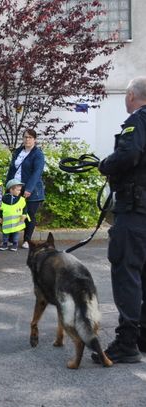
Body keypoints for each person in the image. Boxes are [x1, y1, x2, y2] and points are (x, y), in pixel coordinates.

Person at [91, 77, 146, 364]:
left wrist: (104, 165)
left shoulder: (138, 120)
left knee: (126, 272)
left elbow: (129, 154)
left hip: (134, 211)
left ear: (131, 95)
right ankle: (142, 335)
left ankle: (126, 343)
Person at [5, 128, 45, 248]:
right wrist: (8, 185)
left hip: (31, 189)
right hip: (15, 187)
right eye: (25, 137)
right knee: (13, 212)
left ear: (35, 140)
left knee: (29, 214)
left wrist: (29, 189)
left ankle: (27, 240)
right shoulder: (17, 152)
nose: (27, 139)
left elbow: (37, 173)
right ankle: (12, 239)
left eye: (30, 137)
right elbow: (12, 169)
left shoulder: (38, 154)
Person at [0, 179, 28, 252]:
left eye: (20, 190)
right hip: (6, 221)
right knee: (5, 233)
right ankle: (5, 244)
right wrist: (0, 217)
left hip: (16, 221)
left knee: (15, 233)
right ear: (11, 189)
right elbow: (1, 209)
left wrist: (24, 215)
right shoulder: (4, 198)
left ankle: (15, 244)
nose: (19, 192)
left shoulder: (21, 199)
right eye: (18, 190)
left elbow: (24, 207)